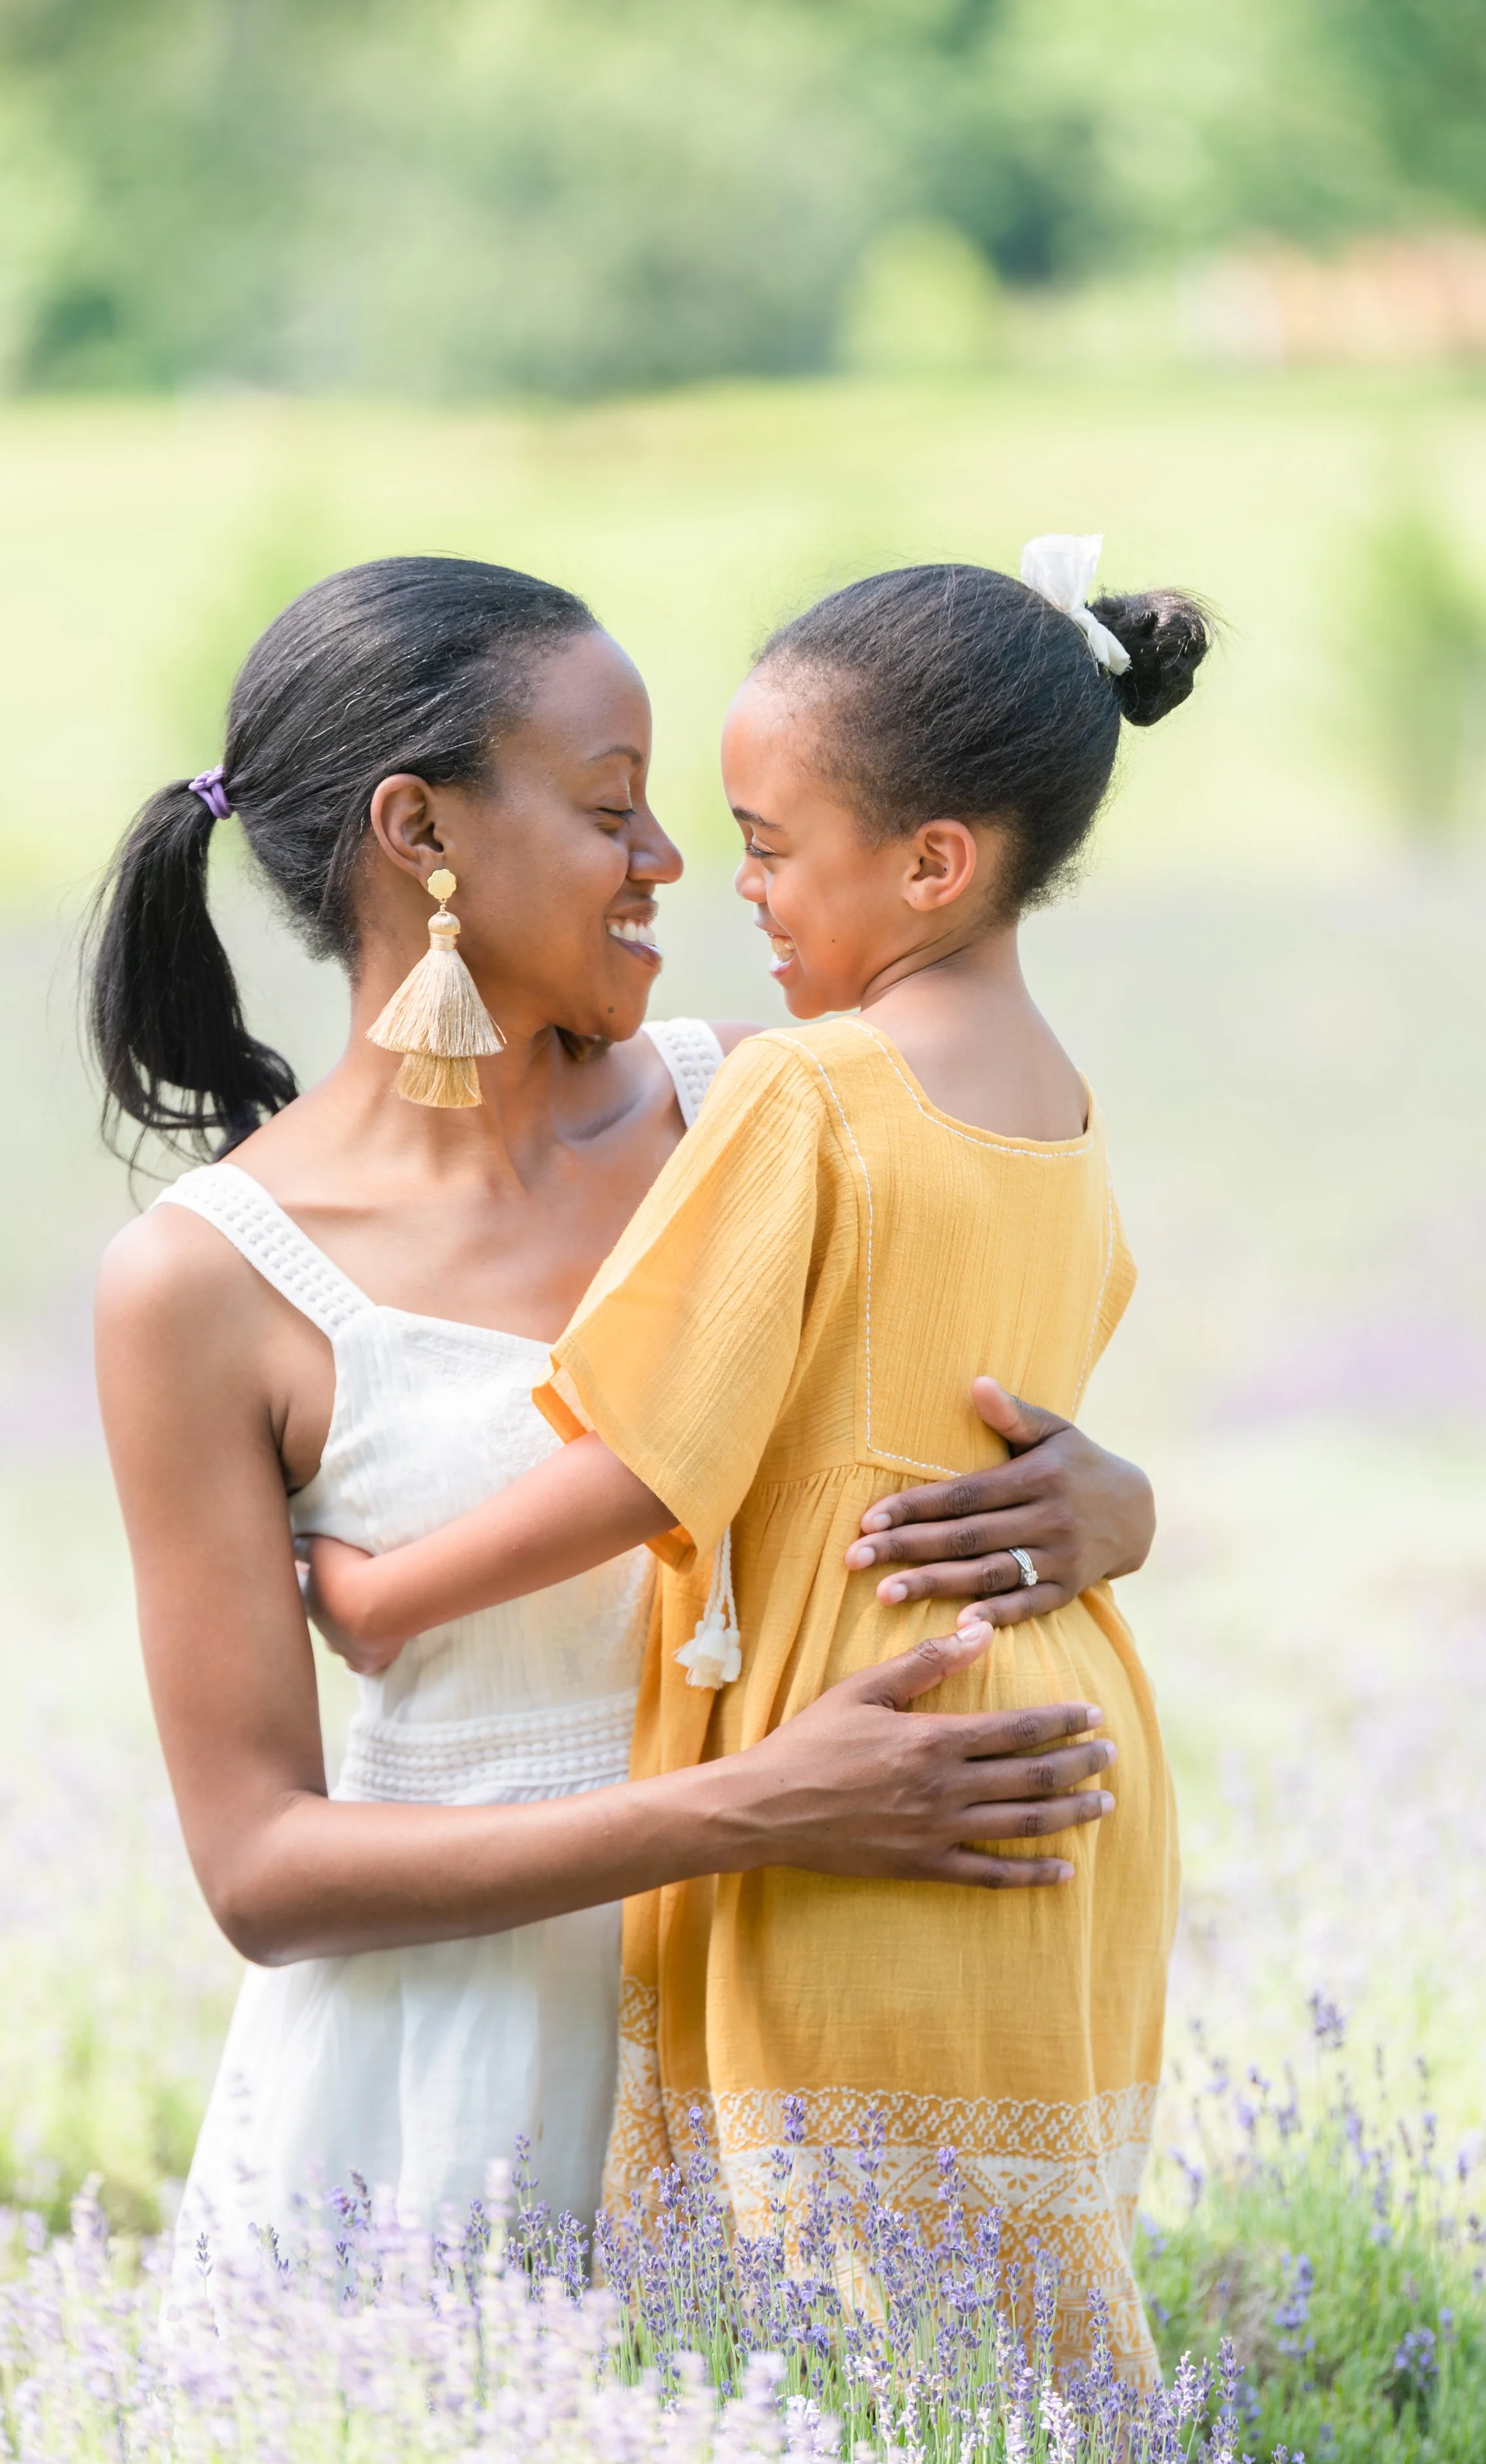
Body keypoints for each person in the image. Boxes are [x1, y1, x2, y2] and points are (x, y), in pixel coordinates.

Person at [89, 555, 1156, 2280]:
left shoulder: (767, 1097)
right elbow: (262, 1870)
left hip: (793, 2052)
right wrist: (752, 1808)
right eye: (613, 810)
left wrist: (1108, 1507)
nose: (675, 863)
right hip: (443, 2105)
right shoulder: (206, 1285)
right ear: (420, 837)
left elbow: (961, 1375)